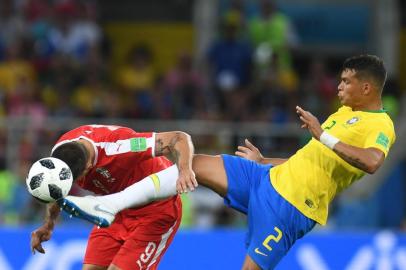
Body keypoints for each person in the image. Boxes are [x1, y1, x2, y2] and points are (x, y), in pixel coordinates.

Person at [58, 55, 396, 269]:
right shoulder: (344, 115)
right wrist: (265, 160)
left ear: (366, 87)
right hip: (266, 178)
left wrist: (322, 135)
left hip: (293, 207)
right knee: (198, 163)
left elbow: (372, 162)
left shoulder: (380, 125)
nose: (339, 87)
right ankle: (110, 204)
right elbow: (310, 158)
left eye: (346, 81)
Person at [30, 124, 197, 270]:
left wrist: (184, 170)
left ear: (89, 166)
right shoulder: (58, 157)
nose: (79, 182)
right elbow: (57, 191)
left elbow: (179, 138)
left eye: (79, 178)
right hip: (114, 208)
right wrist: (48, 225)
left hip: (155, 211)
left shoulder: (121, 146)